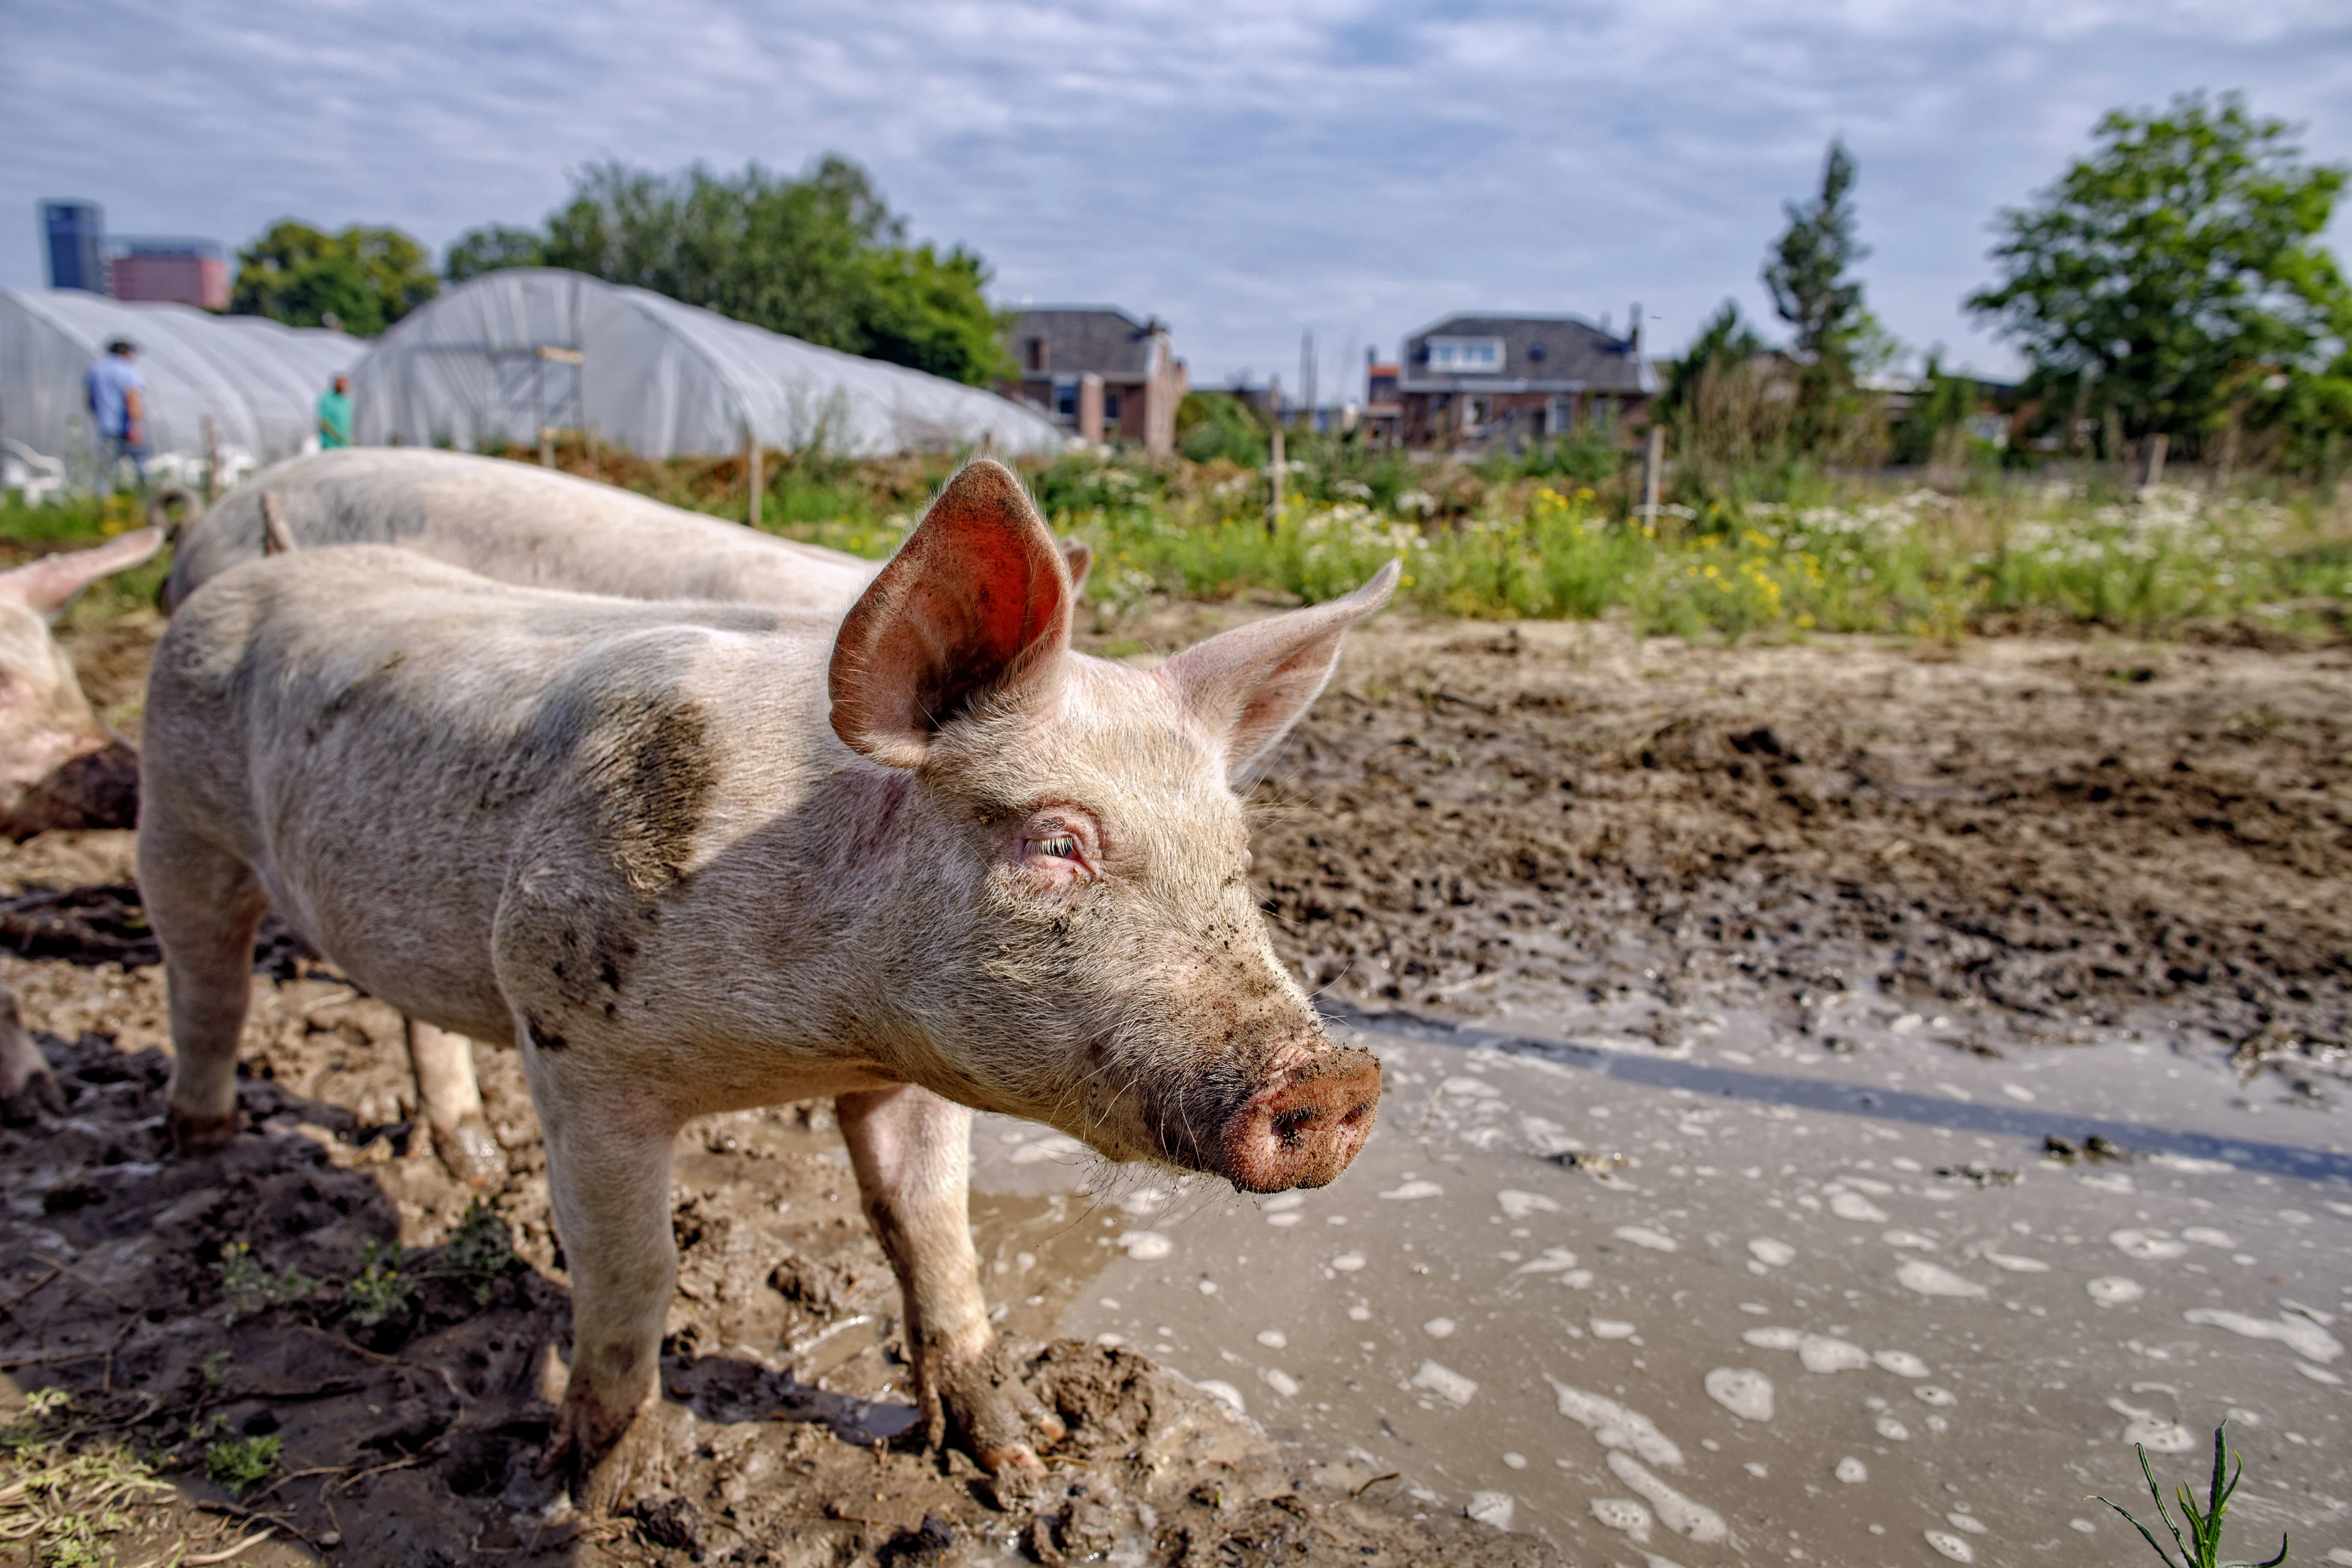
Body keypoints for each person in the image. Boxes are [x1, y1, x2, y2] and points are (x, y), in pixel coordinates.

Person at [85, 339, 146, 494]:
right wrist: (135, 426)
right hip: (126, 429)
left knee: (106, 471)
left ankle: (104, 508)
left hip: (106, 428)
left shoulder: (95, 370)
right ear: (125, 353)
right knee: (142, 469)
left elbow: (91, 401)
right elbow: (132, 399)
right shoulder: (127, 370)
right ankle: (146, 501)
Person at [316, 374, 353, 450]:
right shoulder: (327, 400)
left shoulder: (345, 401)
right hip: (330, 444)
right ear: (336, 383)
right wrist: (336, 436)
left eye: (346, 384)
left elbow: (346, 423)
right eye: (342, 383)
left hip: (345, 444)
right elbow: (324, 422)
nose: (344, 386)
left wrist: (351, 439)